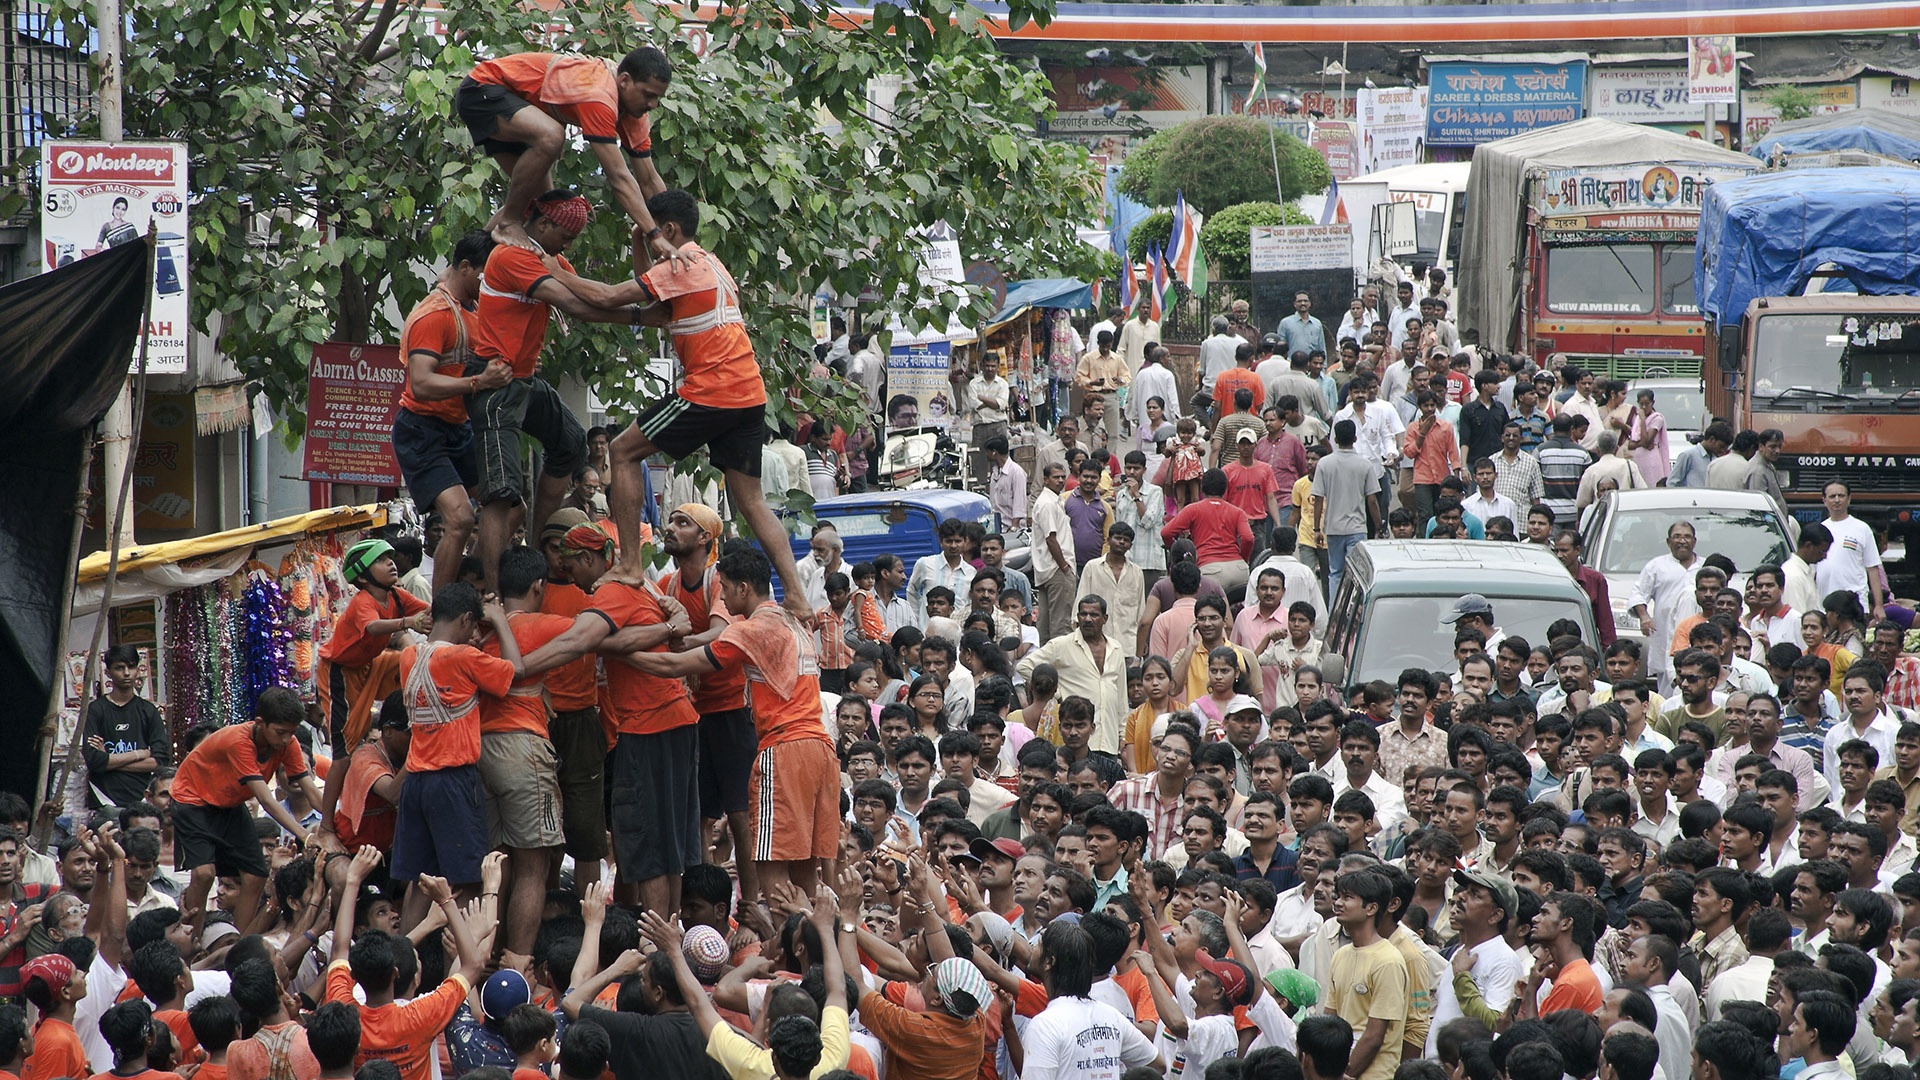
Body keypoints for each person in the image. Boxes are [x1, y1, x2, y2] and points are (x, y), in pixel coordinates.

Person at [539, 189, 812, 621]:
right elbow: (658, 304)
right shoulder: (711, 264)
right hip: (748, 393)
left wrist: (557, 272)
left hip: (712, 390)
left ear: (667, 232)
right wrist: (635, 244)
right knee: (753, 501)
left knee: (622, 451)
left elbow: (611, 297)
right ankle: (795, 593)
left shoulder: (681, 264)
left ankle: (629, 564)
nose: (650, 243)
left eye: (652, 236)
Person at [614, 547, 839, 899]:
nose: (723, 596)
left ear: (744, 589)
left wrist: (616, 649)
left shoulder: (750, 629)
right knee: (805, 872)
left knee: (773, 873)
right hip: (821, 749)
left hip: (785, 750)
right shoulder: (791, 619)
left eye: (727, 588)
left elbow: (675, 666)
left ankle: (780, 942)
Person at [517, 522, 700, 915]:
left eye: (571, 568)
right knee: (666, 841)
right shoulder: (638, 589)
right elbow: (604, 641)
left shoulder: (611, 592)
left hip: (650, 725)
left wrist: (516, 669)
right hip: (672, 721)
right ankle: (666, 930)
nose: (570, 578)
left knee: (648, 838)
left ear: (589, 559)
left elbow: (577, 641)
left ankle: (657, 939)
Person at [456, 48, 679, 254]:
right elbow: (619, 178)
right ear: (624, 81)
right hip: (482, 90)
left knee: (547, 208)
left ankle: (470, 264)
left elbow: (649, 180)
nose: (653, 104)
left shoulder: (635, 112)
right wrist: (654, 234)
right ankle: (508, 223)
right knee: (552, 136)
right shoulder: (599, 95)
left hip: (519, 110)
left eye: (657, 98)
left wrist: (679, 242)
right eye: (648, 95)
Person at [389, 232, 507, 594]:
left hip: (459, 428)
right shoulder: (433, 315)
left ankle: (482, 583)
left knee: (506, 503)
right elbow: (421, 383)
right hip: (422, 430)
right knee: (459, 518)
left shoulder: (468, 305)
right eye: (486, 275)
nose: (491, 284)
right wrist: (479, 383)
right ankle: (442, 610)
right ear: (466, 268)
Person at [170, 688, 323, 931]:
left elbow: (309, 787)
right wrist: (305, 835)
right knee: (203, 874)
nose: (286, 739)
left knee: (256, 874)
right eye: (280, 732)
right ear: (260, 723)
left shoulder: (289, 742)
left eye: (291, 733)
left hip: (228, 802)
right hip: (193, 801)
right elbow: (265, 799)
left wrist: (333, 822)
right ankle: (191, 940)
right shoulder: (239, 741)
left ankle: (240, 944)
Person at [317, 538, 430, 758]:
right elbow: (373, 627)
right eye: (380, 559)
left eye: (389, 557)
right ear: (362, 577)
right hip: (339, 671)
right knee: (345, 747)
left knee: (418, 660)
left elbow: (430, 610)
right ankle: (335, 791)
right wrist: (407, 621)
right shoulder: (363, 601)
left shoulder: (396, 595)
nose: (390, 562)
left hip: (370, 664)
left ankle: (418, 717)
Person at [82, 645, 171, 812]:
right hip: (105, 802)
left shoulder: (148, 711)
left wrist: (109, 759)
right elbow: (94, 761)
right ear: (108, 673)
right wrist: (140, 754)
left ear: (138, 670)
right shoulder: (96, 710)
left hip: (142, 802)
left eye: (131, 666)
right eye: (119, 668)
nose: (126, 673)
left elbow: (159, 762)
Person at [1312, 419, 1383, 600]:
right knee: (1358, 574)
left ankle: (1334, 612)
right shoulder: (1364, 464)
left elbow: (1318, 498)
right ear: (1355, 438)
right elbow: (1372, 500)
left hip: (1333, 528)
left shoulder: (1324, 464)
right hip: (1357, 528)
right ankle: (1354, 610)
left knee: (1335, 572)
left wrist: (1317, 529)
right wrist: (1378, 526)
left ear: (1335, 439)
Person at [1818, 481, 1888, 622]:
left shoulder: (1862, 529)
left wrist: (1878, 605)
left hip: (1854, 606)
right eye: (1832, 496)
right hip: (1824, 606)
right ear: (1824, 500)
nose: (1837, 500)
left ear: (1849, 499)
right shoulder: (1819, 530)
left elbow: (1873, 569)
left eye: (1841, 495)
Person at [1031, 463, 1076, 642]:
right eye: (1055, 477)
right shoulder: (1048, 503)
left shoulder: (1055, 500)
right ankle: (1058, 667)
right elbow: (1051, 539)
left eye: (1062, 477)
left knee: (1047, 623)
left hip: (1049, 569)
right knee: (1061, 625)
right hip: (1056, 569)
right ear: (1045, 479)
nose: (1060, 480)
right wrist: (1064, 566)